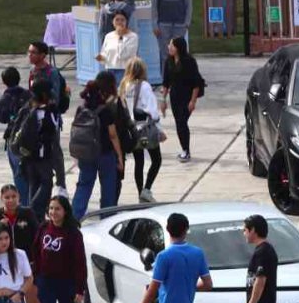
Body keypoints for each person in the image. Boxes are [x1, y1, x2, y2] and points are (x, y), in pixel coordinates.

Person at [135, 213, 211, 303]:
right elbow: (208, 284)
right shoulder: (198, 253)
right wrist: (188, 287)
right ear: (186, 230)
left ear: (167, 229)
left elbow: (153, 289)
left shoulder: (163, 256)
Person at [72, 72, 126, 220]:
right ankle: (107, 218)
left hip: (86, 154)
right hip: (105, 154)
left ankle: (74, 217)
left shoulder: (81, 109)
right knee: (108, 188)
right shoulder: (105, 111)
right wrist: (120, 157)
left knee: (83, 186)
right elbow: (113, 135)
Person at [33, 196, 86, 303]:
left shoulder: (73, 233)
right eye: (51, 208)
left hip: (67, 283)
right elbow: (36, 252)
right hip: (46, 283)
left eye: (57, 208)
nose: (53, 212)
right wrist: (36, 277)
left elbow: (80, 262)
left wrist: (80, 289)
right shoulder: (43, 227)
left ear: (65, 211)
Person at [15, 84, 64, 220]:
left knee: (33, 184)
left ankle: (35, 219)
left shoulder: (27, 109)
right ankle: (32, 212)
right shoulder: (48, 112)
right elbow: (52, 135)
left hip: (27, 155)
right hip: (43, 156)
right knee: (46, 183)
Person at [121, 58, 163, 203]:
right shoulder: (144, 86)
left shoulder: (125, 85)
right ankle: (146, 189)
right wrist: (159, 129)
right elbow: (153, 111)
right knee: (156, 159)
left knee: (139, 162)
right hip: (146, 128)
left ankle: (140, 192)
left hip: (133, 129)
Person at [162, 36, 204, 163]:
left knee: (182, 122)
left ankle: (186, 150)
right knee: (179, 123)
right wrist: (163, 100)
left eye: (172, 45)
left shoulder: (189, 61)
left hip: (187, 96)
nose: (169, 47)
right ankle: (185, 149)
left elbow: (196, 83)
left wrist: (193, 101)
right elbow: (166, 83)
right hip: (174, 96)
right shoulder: (168, 61)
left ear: (178, 48)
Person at [0, 67, 32, 204]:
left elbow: (1, 117)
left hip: (14, 139)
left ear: (4, 82)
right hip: (29, 138)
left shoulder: (5, 99)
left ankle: (23, 203)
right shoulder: (28, 95)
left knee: (18, 172)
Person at [239, 214, 276, 303]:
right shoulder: (261, 250)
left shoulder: (263, 252)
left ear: (253, 230)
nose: (243, 233)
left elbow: (260, 282)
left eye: (245, 230)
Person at [96, 11, 138, 84]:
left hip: (124, 70)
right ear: (113, 22)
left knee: (122, 93)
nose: (119, 22)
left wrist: (120, 37)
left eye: (122, 20)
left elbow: (122, 55)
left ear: (126, 22)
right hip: (109, 70)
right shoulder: (108, 36)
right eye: (117, 20)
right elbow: (105, 53)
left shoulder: (133, 37)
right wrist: (101, 57)